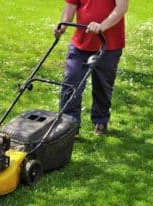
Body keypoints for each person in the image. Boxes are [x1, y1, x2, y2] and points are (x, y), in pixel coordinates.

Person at [54, 0, 129, 135]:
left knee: (103, 85)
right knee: (71, 82)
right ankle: (69, 125)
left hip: (109, 45)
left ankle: (100, 121)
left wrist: (101, 26)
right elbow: (71, 5)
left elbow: (121, 8)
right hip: (80, 44)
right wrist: (63, 25)